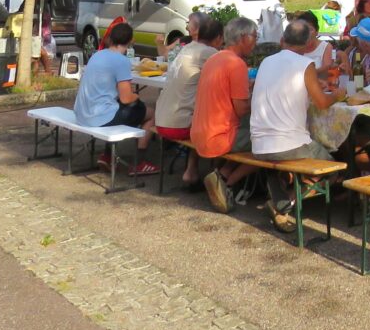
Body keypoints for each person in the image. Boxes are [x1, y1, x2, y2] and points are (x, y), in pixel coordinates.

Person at [250, 19, 348, 232]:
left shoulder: (267, 61)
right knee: (333, 170)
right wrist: (339, 94)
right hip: (289, 144)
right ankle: (285, 205)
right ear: (307, 44)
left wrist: (314, 85)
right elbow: (322, 103)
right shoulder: (305, 65)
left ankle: (279, 199)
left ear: (283, 39)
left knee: (274, 163)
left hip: (258, 144)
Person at [72, 21, 159, 176]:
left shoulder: (97, 55)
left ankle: (107, 156)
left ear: (111, 38)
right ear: (130, 41)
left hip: (82, 112)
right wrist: (136, 95)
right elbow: (126, 98)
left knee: (116, 107)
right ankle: (139, 162)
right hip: (98, 117)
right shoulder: (121, 60)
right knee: (151, 113)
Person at [193, 16, 260, 213]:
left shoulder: (214, 58)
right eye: (255, 37)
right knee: (267, 142)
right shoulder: (236, 64)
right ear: (243, 38)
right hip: (219, 136)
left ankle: (221, 176)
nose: (256, 41)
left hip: (200, 131)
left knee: (251, 133)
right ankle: (225, 181)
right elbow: (241, 110)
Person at [154, 12, 221, 188]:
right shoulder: (210, 53)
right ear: (218, 38)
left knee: (198, 115)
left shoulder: (187, 48)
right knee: (211, 123)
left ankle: (193, 170)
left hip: (160, 119)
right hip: (178, 125)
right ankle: (211, 174)